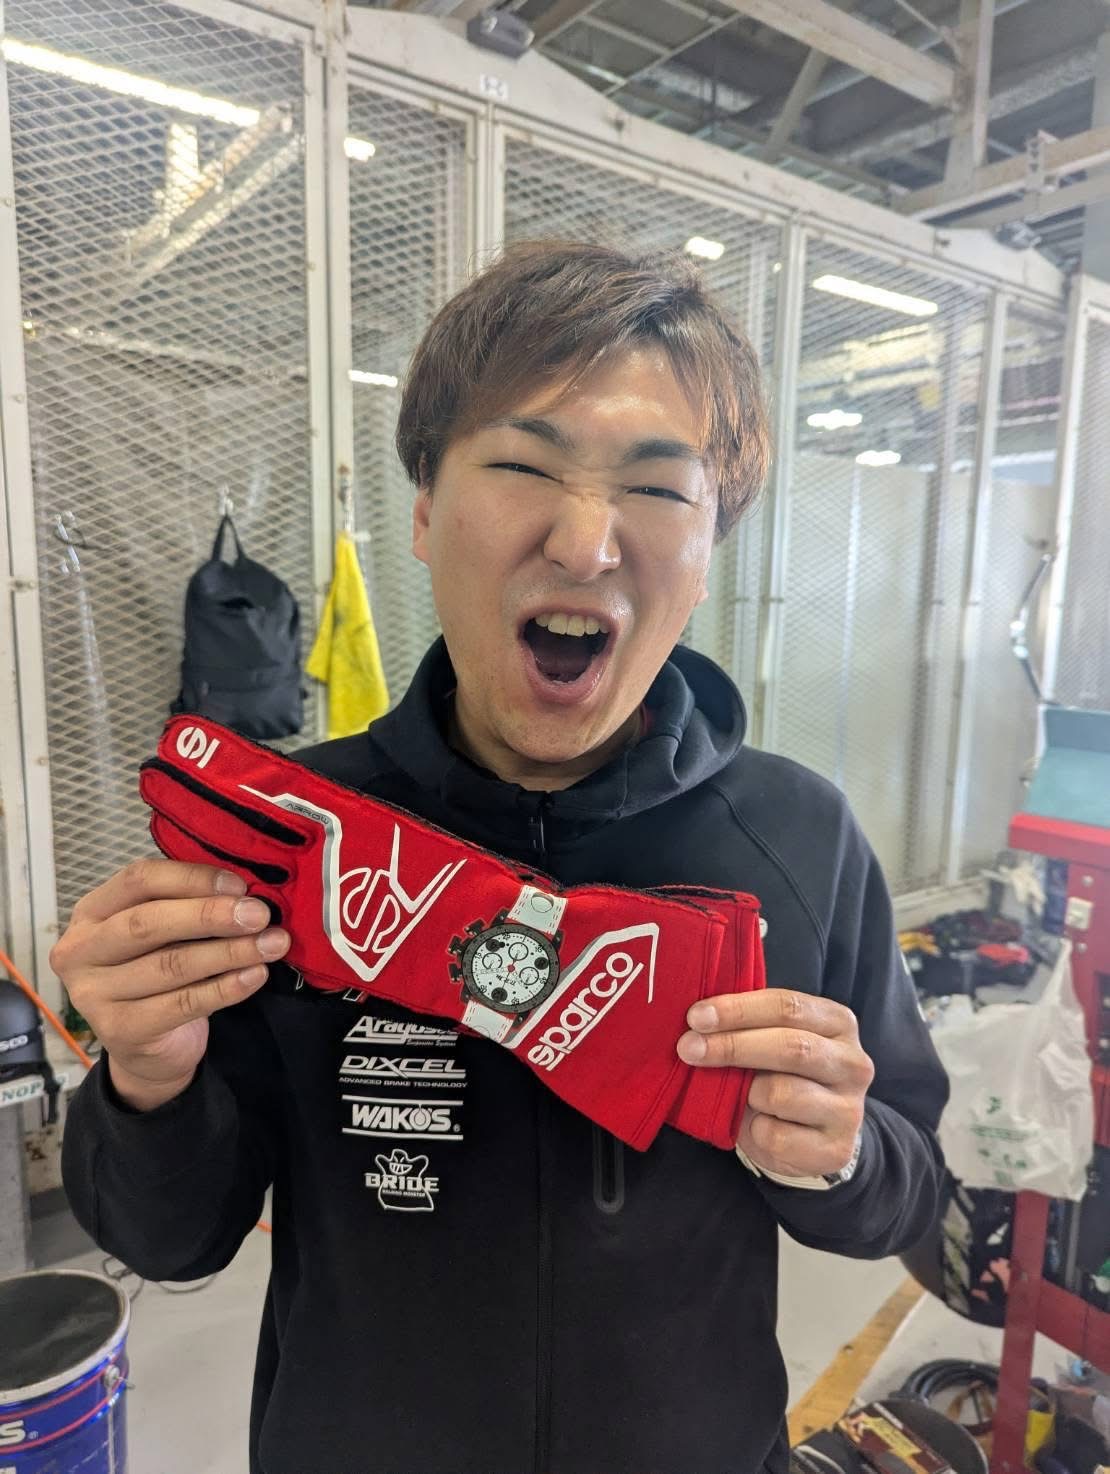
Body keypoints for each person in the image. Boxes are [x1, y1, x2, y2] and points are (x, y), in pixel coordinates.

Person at [57, 241, 948, 1474]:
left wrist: (841, 1149)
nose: (584, 543)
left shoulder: (798, 838)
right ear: (425, 515)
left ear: (710, 552)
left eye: (657, 487)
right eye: (524, 466)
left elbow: (910, 1189)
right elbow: (173, 1240)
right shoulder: (293, 838)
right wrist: (145, 1079)